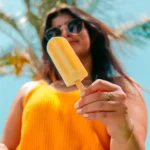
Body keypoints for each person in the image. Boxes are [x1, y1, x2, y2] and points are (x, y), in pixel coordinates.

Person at [0, 4, 148, 150]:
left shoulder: (120, 89)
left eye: (74, 25)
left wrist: (121, 126)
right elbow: (6, 146)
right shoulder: (28, 90)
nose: (65, 33)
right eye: (54, 33)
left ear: (91, 34)